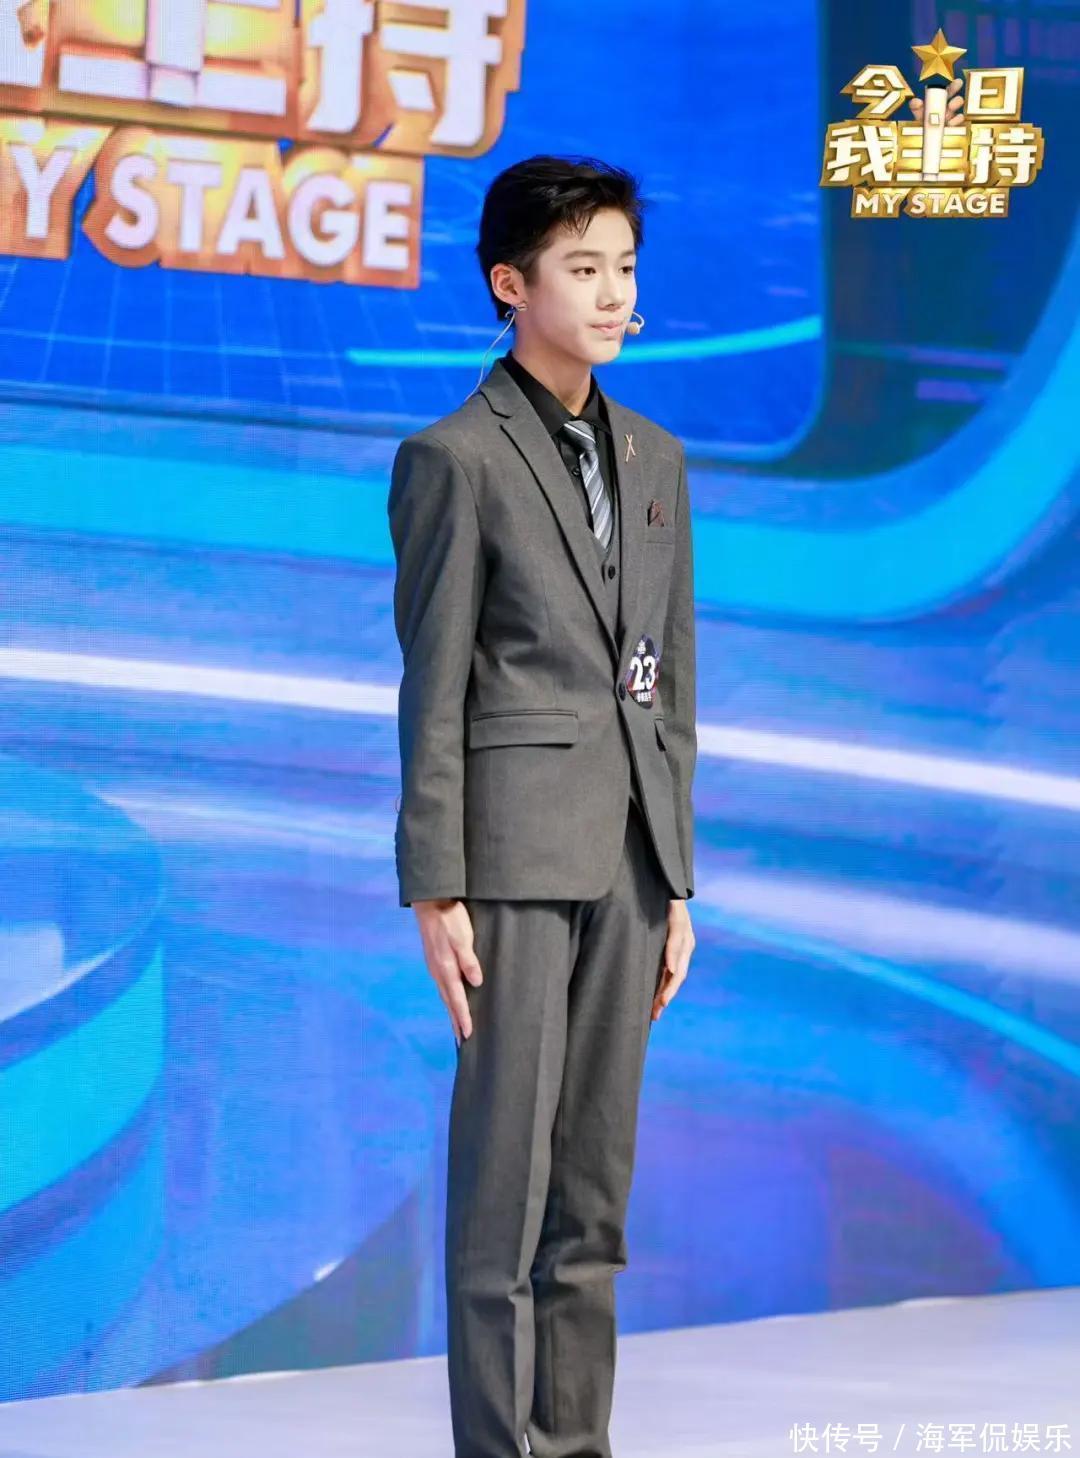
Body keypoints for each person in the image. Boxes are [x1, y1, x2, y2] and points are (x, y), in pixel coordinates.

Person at [386, 154, 698, 1458]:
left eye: (624, 266)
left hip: (628, 862)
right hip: (510, 862)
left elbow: (670, 681)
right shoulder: (454, 458)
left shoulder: (657, 457)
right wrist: (436, 882)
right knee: (501, 1201)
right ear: (511, 285)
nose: (613, 292)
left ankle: (576, 1444)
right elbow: (434, 684)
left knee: (593, 1197)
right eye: (583, 268)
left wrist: (675, 877)